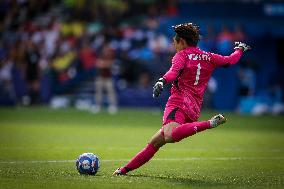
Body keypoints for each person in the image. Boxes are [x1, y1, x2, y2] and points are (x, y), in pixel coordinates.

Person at [113, 23, 251, 175]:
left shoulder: (182, 55)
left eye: (175, 41)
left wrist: (162, 80)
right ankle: (124, 170)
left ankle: (209, 123)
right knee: (155, 142)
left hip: (178, 103)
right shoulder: (209, 56)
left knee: (170, 135)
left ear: (182, 42)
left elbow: (173, 72)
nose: (174, 44)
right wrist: (239, 49)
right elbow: (229, 61)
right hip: (194, 109)